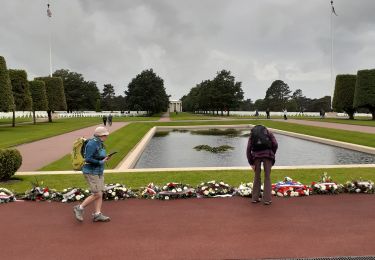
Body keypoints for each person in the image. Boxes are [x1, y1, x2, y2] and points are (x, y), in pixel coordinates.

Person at [73, 126, 112, 222]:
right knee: (97, 193)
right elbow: (88, 158)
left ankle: (97, 214)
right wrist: (100, 162)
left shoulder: (100, 143)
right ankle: (79, 208)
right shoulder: (92, 144)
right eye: (105, 135)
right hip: (91, 172)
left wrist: (104, 158)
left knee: (100, 193)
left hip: (98, 171)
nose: (107, 137)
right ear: (100, 135)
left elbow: (97, 156)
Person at [246, 125, 278, 205]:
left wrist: (251, 162)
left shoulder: (252, 134)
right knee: (267, 177)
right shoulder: (268, 132)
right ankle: (267, 199)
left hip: (256, 156)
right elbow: (275, 144)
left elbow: (248, 149)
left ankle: (255, 198)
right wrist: (272, 153)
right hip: (267, 155)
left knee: (257, 176)